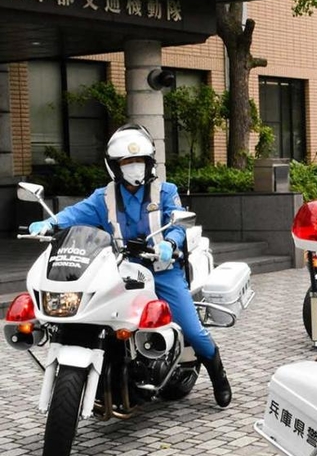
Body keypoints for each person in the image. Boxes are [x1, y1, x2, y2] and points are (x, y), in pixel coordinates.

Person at [28, 123, 232, 407]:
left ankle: (218, 376)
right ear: (115, 166)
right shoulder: (104, 197)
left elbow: (179, 221)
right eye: (127, 162)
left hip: (162, 270)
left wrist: (169, 245)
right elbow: (76, 214)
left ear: (149, 163)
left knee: (192, 328)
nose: (134, 167)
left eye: (139, 161)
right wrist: (50, 222)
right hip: (121, 271)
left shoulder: (165, 191)